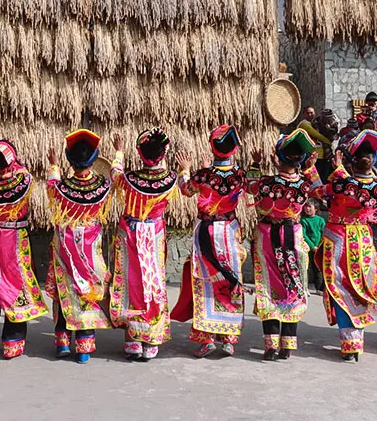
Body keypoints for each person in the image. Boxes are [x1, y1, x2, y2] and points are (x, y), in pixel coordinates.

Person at [170, 125, 249, 358]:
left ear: (212, 148)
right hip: (229, 232)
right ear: (233, 149)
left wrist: (185, 170)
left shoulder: (203, 175)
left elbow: (186, 190)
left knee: (205, 282)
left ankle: (207, 339)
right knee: (229, 280)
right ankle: (229, 338)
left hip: (206, 231)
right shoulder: (240, 175)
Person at [246, 129, 321, 361]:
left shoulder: (267, 183)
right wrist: (310, 168)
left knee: (269, 287)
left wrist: (256, 163)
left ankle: (270, 344)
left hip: (268, 235)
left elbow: (249, 186)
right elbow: (320, 189)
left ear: (277, 158)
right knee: (293, 286)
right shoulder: (305, 185)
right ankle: (288, 344)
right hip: (294, 235)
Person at [313, 130, 377, 362]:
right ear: (373, 161)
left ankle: (349, 341)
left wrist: (312, 168)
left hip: (337, 239)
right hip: (362, 238)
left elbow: (317, 190)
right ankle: (357, 340)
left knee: (340, 287)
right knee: (361, 286)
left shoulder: (339, 184)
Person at [0, 140, 49, 359]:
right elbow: (23, 169)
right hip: (14, 239)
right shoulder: (23, 181)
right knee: (16, 285)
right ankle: (11, 341)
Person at [109, 128, 179, 361]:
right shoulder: (170, 180)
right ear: (164, 153)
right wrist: (187, 169)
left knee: (132, 282)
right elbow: (186, 184)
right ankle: (151, 340)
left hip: (131, 232)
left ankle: (132, 340)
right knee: (154, 282)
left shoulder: (130, 179)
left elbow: (114, 174)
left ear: (140, 153)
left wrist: (119, 152)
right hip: (154, 233)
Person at [45, 129, 112, 364]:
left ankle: (62, 342)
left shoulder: (62, 189)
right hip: (90, 247)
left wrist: (53, 165)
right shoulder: (103, 187)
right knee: (87, 293)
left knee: (66, 290)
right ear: (93, 161)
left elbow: (51, 186)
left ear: (69, 162)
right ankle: (84, 347)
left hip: (66, 246)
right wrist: (119, 153)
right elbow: (113, 176)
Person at [298, 109, 337, 182]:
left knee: (325, 177)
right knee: (315, 177)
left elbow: (334, 134)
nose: (310, 115)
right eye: (308, 113)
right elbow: (317, 135)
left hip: (327, 154)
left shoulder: (333, 124)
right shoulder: (307, 123)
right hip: (316, 155)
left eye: (312, 113)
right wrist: (327, 141)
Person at [300, 199, 326, 292]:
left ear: (316, 209)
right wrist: (312, 246)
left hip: (320, 247)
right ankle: (314, 287)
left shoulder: (320, 220)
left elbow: (324, 233)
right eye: (305, 206)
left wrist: (320, 245)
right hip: (308, 248)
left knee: (320, 267)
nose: (307, 209)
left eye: (309, 206)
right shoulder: (303, 220)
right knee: (309, 267)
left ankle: (321, 288)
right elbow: (304, 235)